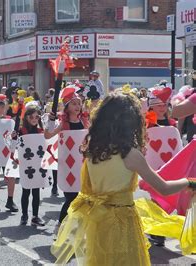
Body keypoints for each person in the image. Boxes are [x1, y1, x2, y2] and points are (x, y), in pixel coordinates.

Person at [51, 92, 195, 265]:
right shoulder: (130, 154)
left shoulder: (92, 150)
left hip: (98, 222)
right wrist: (189, 182)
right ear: (131, 122)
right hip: (123, 223)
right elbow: (163, 188)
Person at [44, 86, 89, 233]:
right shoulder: (63, 124)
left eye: (79, 103)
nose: (77, 106)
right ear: (67, 106)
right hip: (67, 167)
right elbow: (48, 136)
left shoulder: (85, 121)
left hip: (83, 166)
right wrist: (49, 122)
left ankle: (76, 229)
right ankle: (60, 225)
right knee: (71, 198)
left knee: (82, 199)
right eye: (74, 103)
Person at [18, 102, 46, 226]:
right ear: (26, 118)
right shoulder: (21, 131)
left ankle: (35, 216)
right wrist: (14, 138)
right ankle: (24, 214)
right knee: (26, 191)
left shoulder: (41, 131)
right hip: (26, 165)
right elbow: (14, 146)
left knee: (36, 191)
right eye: (31, 117)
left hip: (38, 165)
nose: (34, 119)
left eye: (37, 117)